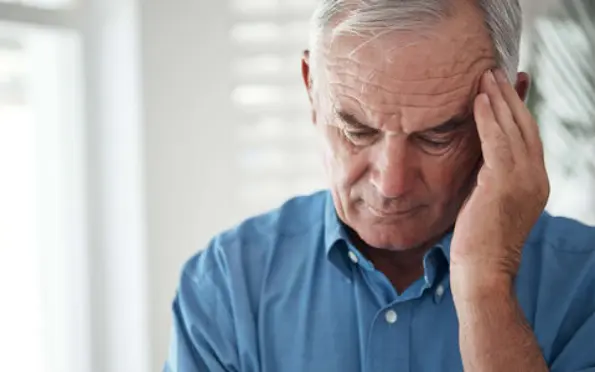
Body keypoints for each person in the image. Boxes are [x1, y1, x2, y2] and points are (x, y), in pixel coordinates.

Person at [164, 0, 595, 371]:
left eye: (436, 137)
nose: (391, 183)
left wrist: (486, 288)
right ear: (311, 89)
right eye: (357, 130)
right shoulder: (226, 285)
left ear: (511, 111)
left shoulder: (586, 285)